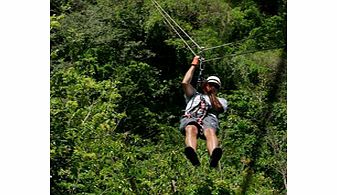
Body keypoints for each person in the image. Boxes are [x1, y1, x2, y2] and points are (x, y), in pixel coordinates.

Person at [180, 56, 228, 167]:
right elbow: (185, 83)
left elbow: (219, 109)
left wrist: (210, 94)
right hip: (192, 115)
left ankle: (214, 156)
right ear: (206, 85)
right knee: (191, 128)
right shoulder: (194, 95)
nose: (213, 87)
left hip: (209, 117)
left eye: (216, 86)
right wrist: (194, 65)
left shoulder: (221, 100)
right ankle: (192, 154)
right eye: (211, 85)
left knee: (210, 131)